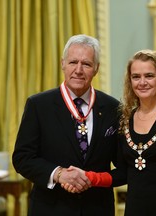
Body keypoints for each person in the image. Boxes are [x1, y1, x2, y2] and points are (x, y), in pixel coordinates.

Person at [64, 49, 156, 216]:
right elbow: (123, 173)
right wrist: (88, 177)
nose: (142, 82)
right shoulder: (125, 120)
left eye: (149, 76)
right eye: (136, 77)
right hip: (135, 209)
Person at [12, 34, 121, 216]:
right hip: (50, 208)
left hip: (97, 208)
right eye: (73, 62)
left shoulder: (113, 108)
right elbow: (22, 158)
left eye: (86, 64)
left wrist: (92, 179)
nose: (78, 70)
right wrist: (59, 174)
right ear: (63, 64)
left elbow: (123, 166)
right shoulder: (39, 105)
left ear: (96, 68)